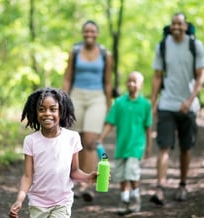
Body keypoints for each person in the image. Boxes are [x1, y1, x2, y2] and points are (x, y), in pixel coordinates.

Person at [8, 87, 98, 218]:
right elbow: (27, 176)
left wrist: (88, 177)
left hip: (62, 202)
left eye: (53, 109)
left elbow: (73, 172)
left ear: (61, 111)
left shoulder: (72, 138)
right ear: (35, 112)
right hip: (38, 203)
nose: (47, 113)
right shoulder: (31, 140)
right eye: (41, 109)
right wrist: (19, 199)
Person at [150, 13, 204, 205]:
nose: (176, 26)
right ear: (170, 25)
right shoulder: (163, 46)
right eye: (173, 23)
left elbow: (201, 76)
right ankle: (160, 188)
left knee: (185, 147)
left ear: (185, 26)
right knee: (163, 146)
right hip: (167, 103)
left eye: (179, 24)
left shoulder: (195, 45)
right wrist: (153, 101)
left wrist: (190, 100)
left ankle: (183, 185)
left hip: (188, 106)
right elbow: (157, 76)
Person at [62, 20, 113, 201]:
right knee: (77, 142)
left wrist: (109, 106)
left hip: (97, 98)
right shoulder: (75, 52)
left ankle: (88, 185)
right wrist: (64, 100)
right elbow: (67, 78)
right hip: (76, 96)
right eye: (86, 31)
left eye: (93, 31)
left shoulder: (105, 54)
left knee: (91, 142)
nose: (89, 34)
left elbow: (108, 82)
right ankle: (76, 180)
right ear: (83, 33)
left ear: (97, 34)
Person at [97, 71, 152, 215]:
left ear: (141, 85)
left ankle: (135, 198)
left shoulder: (145, 104)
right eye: (129, 81)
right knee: (121, 175)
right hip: (122, 146)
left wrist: (149, 146)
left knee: (132, 173)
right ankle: (124, 199)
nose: (131, 84)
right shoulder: (120, 103)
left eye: (135, 81)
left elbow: (148, 127)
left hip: (136, 146)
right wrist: (101, 137)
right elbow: (110, 122)